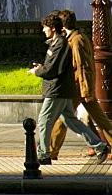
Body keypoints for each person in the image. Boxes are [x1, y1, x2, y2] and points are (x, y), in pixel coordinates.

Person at [30, 13, 108, 165]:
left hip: (57, 90)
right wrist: (42, 68)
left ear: (53, 28)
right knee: (71, 121)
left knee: (44, 120)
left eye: (45, 27)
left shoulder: (61, 44)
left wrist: (38, 71)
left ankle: (43, 154)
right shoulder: (59, 42)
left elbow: (57, 68)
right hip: (64, 90)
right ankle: (100, 146)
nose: (43, 30)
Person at [51, 9, 112, 160]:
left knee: (63, 117)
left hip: (78, 88)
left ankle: (50, 151)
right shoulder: (78, 37)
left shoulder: (76, 40)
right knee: (100, 119)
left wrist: (85, 90)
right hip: (82, 87)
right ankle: (51, 151)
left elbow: (82, 66)